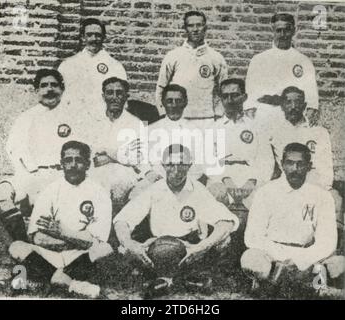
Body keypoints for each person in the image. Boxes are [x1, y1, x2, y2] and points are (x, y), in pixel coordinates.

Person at [113, 144, 239, 296]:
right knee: (125, 247)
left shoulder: (197, 189)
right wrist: (131, 244)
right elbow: (123, 220)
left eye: (182, 164)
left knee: (225, 240)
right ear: (163, 166)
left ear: (189, 165)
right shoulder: (155, 189)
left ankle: (165, 280)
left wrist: (204, 246)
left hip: (190, 249)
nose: (176, 170)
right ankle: (182, 280)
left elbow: (226, 222)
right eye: (171, 165)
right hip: (158, 246)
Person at [8, 141, 113, 298]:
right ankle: (70, 283)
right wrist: (73, 238)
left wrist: (62, 232)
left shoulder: (99, 193)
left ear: (88, 164)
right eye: (68, 160)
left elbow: (95, 240)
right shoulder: (50, 191)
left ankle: (48, 278)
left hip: (80, 254)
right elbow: (37, 237)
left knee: (105, 249)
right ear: (61, 163)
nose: (72, 165)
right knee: (17, 247)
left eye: (78, 160)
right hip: (52, 253)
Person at [241, 143, 344, 297]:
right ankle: (273, 282)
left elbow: (327, 242)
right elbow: (253, 237)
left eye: (300, 164)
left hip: (306, 256)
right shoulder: (266, 192)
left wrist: (299, 260)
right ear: (282, 164)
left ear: (309, 166)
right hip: (272, 255)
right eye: (289, 163)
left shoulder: (322, 196)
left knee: (339, 263)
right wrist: (281, 257)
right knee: (251, 259)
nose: (295, 169)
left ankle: (311, 286)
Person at [0, 69, 72, 241]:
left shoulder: (73, 116)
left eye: (54, 85)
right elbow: (15, 150)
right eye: (44, 86)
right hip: (31, 174)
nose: (49, 89)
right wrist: (30, 174)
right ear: (36, 91)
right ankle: (20, 240)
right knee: (1, 193)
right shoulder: (26, 118)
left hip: (62, 175)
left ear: (62, 89)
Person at [206, 79, 275, 212]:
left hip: (251, 177)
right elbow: (209, 164)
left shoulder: (256, 127)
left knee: (265, 198)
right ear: (220, 99)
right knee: (214, 195)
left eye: (235, 95)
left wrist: (252, 181)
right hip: (221, 178)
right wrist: (226, 180)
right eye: (225, 96)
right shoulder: (213, 128)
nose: (230, 100)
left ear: (244, 97)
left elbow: (266, 161)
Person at [245, 13, 319, 126]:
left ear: (294, 31)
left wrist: (303, 125)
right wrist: (253, 123)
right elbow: (250, 98)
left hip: (294, 117)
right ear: (273, 30)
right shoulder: (258, 60)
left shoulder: (304, 62)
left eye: (287, 30)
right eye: (278, 30)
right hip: (265, 116)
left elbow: (311, 100)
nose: (283, 35)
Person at [87, 77, 149, 210]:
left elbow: (136, 157)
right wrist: (121, 154)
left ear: (126, 96)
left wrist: (108, 154)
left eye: (119, 93)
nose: (114, 97)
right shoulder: (92, 122)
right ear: (103, 97)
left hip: (123, 175)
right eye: (110, 93)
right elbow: (89, 154)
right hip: (96, 172)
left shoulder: (135, 123)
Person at [156, 11, 228, 121]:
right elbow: (161, 87)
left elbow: (223, 90)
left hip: (206, 119)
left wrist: (218, 114)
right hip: (179, 118)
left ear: (205, 27)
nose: (195, 29)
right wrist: (163, 113)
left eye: (199, 25)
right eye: (190, 25)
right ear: (185, 28)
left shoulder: (216, 58)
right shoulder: (173, 56)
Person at [58, 18, 127, 119]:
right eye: (89, 35)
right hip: (75, 118)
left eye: (98, 35)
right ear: (82, 37)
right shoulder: (68, 65)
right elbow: (60, 96)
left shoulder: (115, 66)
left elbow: (122, 99)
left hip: (103, 119)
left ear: (104, 37)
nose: (94, 39)